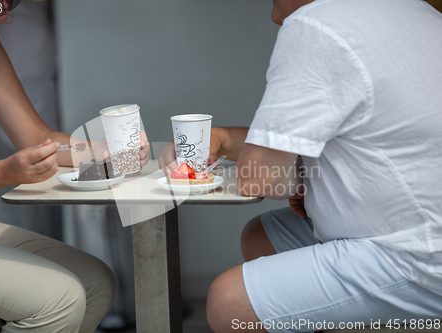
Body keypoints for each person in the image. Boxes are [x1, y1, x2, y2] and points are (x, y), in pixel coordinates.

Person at [159, 0, 442, 332]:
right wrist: (221, 138)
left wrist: (297, 179)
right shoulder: (414, 9)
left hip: (421, 253)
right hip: (411, 217)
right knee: (262, 236)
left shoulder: (316, 23)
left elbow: (258, 179)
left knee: (228, 302)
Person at [0, 3, 150, 333]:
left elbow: (36, 137)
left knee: (96, 283)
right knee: (61, 299)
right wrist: (6, 173)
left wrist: (102, 150)